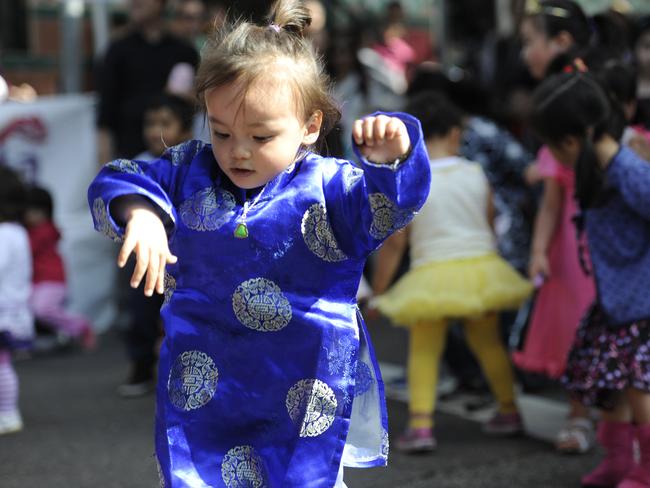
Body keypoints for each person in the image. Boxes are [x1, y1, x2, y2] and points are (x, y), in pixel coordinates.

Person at [87, 0, 431, 485]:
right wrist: (140, 213)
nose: (238, 151)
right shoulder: (188, 168)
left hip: (304, 384)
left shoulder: (331, 186)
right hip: (205, 382)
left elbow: (389, 208)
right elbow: (119, 177)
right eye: (222, 131)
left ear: (310, 126)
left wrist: (393, 160)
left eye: (261, 136)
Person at [370, 92, 532, 452]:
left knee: (425, 349)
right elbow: (489, 221)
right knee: (489, 344)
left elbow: (397, 242)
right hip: (480, 271)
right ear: (456, 133)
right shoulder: (475, 172)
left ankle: (421, 427)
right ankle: (509, 410)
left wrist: (380, 290)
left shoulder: (409, 181)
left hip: (431, 275)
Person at [531, 70, 650, 488]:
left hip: (641, 305)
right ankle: (619, 460)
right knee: (607, 385)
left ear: (569, 141)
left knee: (638, 387)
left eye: (550, 145)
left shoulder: (628, 170)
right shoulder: (597, 168)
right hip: (615, 303)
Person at [513, 0, 598, 454]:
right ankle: (581, 414)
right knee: (575, 323)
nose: (525, 53)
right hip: (568, 234)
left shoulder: (575, 95)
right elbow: (550, 195)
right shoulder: (555, 94)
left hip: (595, 229)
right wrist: (541, 248)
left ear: (560, 42)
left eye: (531, 42)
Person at [96, 0, 199, 161]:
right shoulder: (117, 50)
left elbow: (200, 108)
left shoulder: (184, 51)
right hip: (129, 157)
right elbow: (105, 115)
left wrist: (188, 98)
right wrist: (104, 163)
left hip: (175, 159)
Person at [23, 187, 95, 350]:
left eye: (35, 211)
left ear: (46, 212)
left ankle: (80, 326)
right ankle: (62, 334)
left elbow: (28, 249)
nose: (30, 215)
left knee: (42, 309)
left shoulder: (44, 231)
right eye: (27, 211)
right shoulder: (31, 231)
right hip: (37, 281)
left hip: (51, 281)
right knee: (29, 310)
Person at [0, 167, 33, 435]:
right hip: (13, 311)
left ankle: (8, 413)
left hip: (4, 313)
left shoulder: (4, 234)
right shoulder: (18, 231)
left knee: (2, 365)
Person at [137, 93, 195, 161]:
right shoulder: (138, 165)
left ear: (186, 132)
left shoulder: (195, 164)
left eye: (165, 124)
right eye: (150, 123)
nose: (156, 133)